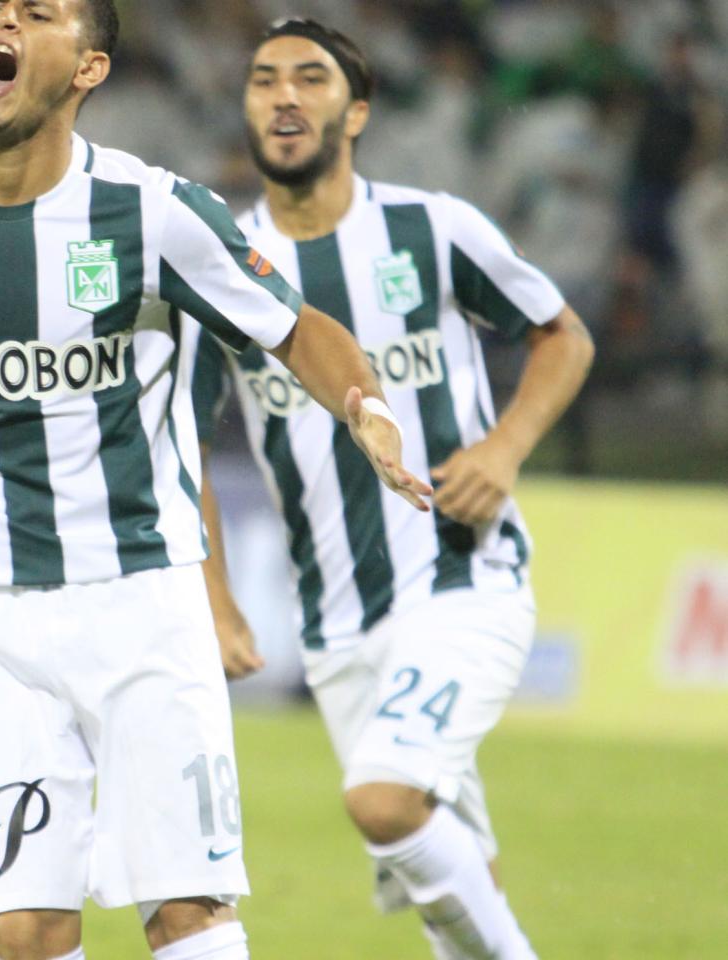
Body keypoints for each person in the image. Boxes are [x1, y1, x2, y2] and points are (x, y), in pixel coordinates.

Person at [0, 3, 431, 959]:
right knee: (27, 935)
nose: (0, 20)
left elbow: (295, 326)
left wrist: (367, 409)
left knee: (186, 912)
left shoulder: (153, 210)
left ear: (86, 68)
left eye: (35, 12)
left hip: (142, 607)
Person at [189, 19, 594, 960]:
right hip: (337, 623)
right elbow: (184, 444)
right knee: (453, 875)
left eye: (311, 78)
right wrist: (214, 597)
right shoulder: (218, 267)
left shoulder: (431, 226)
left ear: (357, 109)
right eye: (262, 80)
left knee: (385, 800)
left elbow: (561, 334)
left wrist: (503, 447)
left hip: (465, 580)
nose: (284, 96)